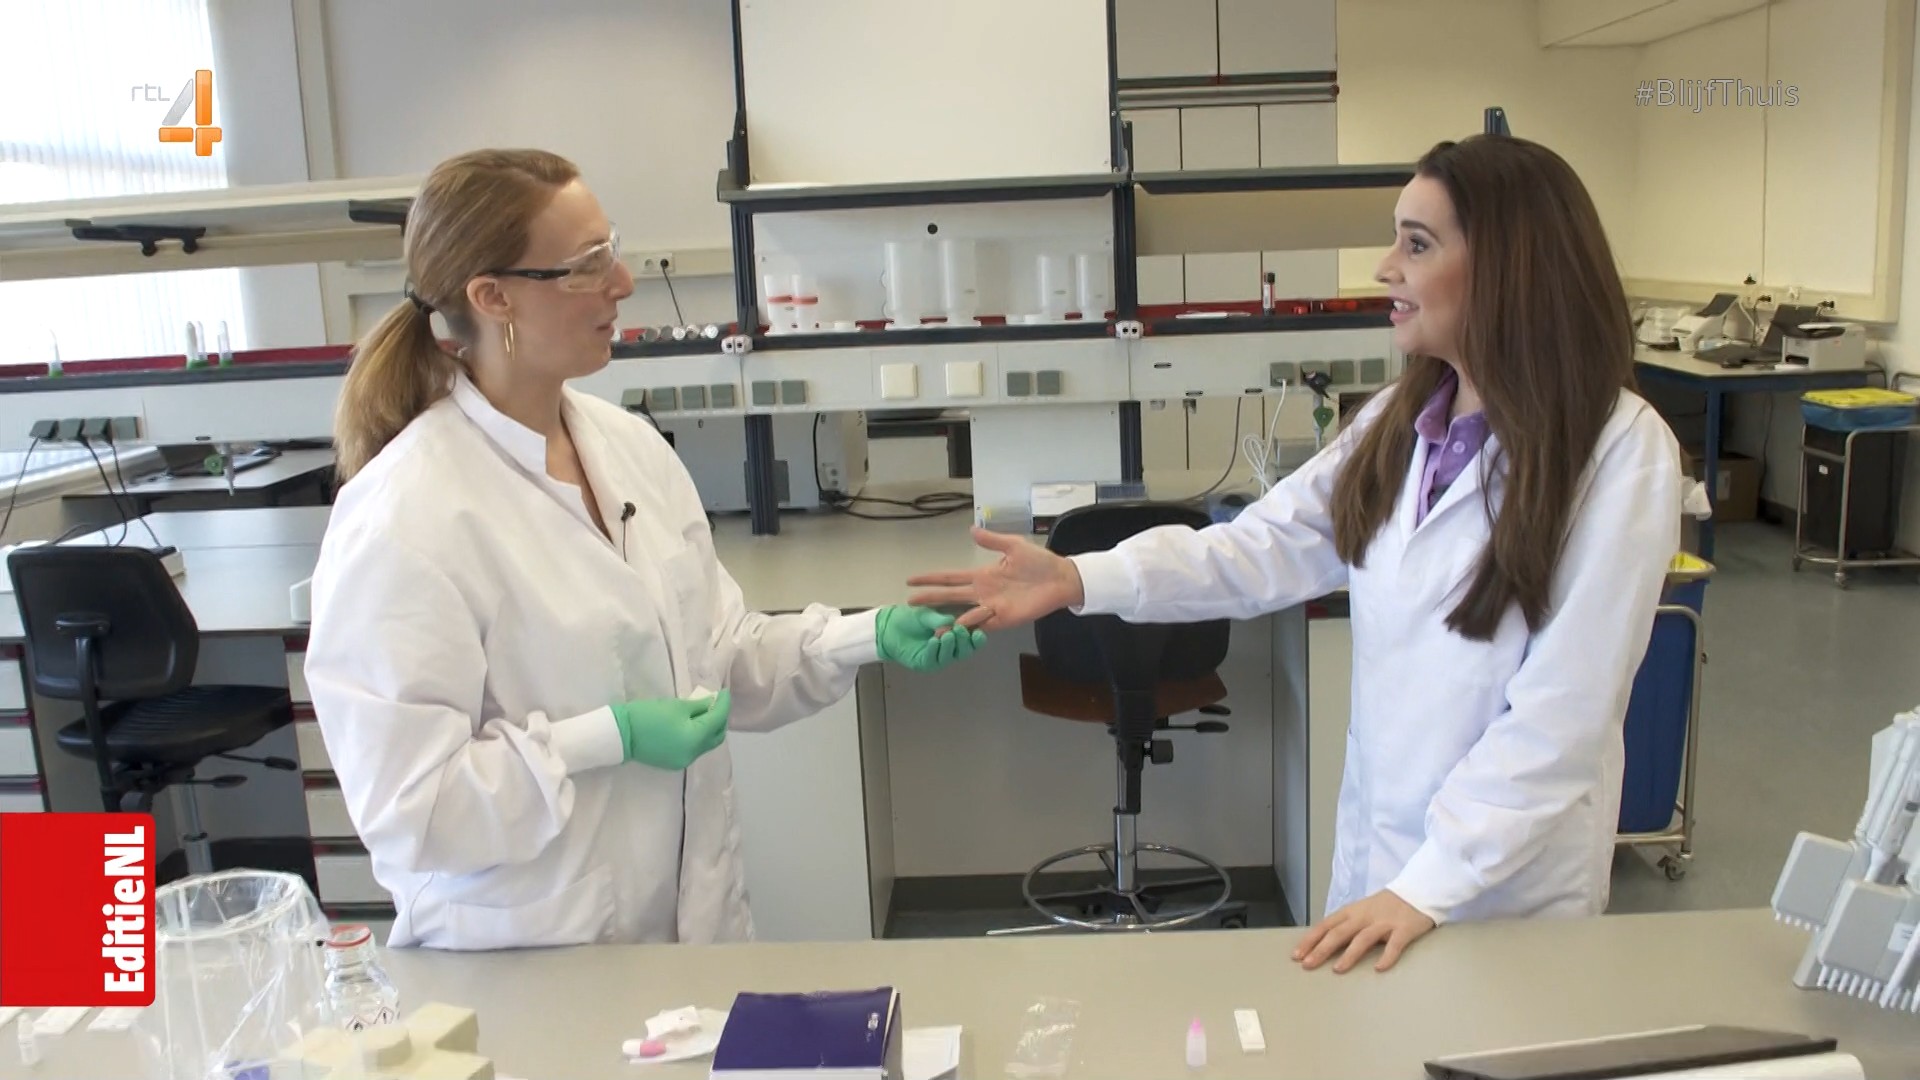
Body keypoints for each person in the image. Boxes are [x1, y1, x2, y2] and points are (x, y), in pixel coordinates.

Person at [907, 135, 1692, 974]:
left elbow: (1562, 717)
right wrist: (1079, 577)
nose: (1386, 267)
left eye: (1417, 244)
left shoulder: (1620, 452)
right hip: (1382, 866)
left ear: (1510, 267)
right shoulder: (1398, 422)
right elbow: (1257, 548)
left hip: (1504, 894)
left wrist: (1429, 885)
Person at [303, 148, 984, 951]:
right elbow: (412, 811)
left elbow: (720, 655)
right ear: (492, 296)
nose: (622, 282)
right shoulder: (405, 517)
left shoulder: (627, 447)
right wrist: (607, 738)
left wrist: (867, 636)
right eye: (586, 266)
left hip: (691, 935)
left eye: (612, 250)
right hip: (530, 961)